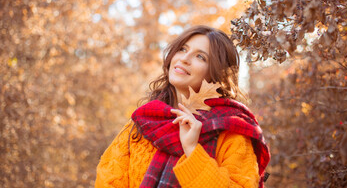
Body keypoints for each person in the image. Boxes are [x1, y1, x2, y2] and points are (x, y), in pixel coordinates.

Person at [95, 25, 270, 188]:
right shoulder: (144, 121)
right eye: (182, 49)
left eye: (200, 56)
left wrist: (192, 151)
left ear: (216, 73)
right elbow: (107, 180)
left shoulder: (231, 131)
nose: (185, 59)